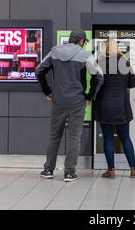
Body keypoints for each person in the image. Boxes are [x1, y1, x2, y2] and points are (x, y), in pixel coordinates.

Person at [36, 29, 103, 182]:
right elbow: (99, 76)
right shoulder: (85, 55)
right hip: (77, 103)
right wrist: (89, 97)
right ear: (81, 41)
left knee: (54, 137)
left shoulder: (54, 52)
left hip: (58, 102)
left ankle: (48, 170)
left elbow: (39, 71)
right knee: (74, 139)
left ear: (70, 39)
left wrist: (47, 91)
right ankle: (69, 173)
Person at [92, 39, 135, 179]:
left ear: (104, 49)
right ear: (117, 48)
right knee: (125, 138)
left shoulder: (99, 63)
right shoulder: (124, 62)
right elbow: (133, 83)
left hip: (104, 106)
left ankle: (111, 171)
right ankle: (133, 169)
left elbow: (95, 84)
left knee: (108, 138)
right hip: (121, 107)